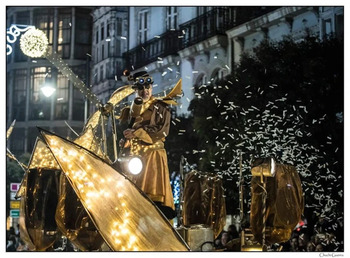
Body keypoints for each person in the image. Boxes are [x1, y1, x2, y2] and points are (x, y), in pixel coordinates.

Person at [120, 71, 176, 220]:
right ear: (136, 90)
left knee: (153, 194)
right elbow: (131, 131)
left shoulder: (160, 106)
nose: (145, 91)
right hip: (136, 158)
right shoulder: (132, 109)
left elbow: (162, 131)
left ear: (151, 88)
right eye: (141, 89)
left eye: (148, 88)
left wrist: (137, 133)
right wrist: (127, 140)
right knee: (135, 196)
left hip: (153, 156)